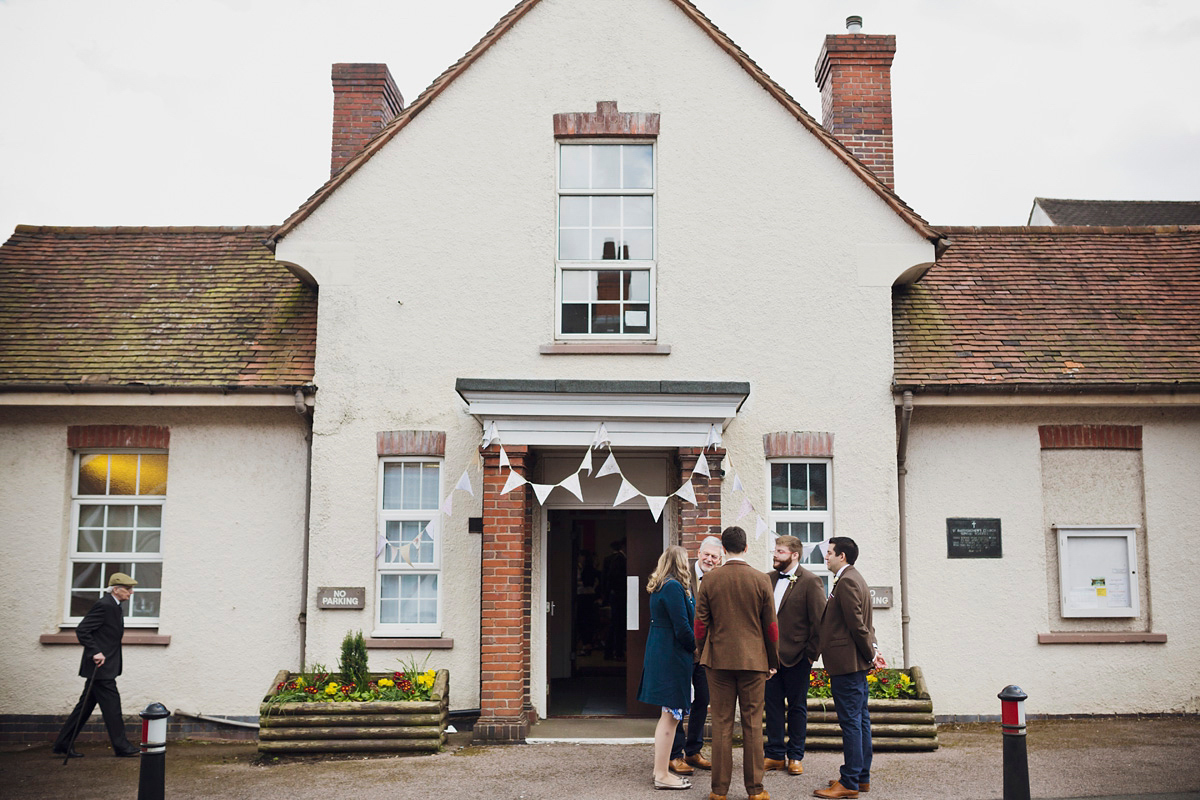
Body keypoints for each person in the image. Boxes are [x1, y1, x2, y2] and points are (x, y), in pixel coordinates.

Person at [695, 526, 779, 800]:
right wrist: (772, 659)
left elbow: (699, 624)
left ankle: (719, 791)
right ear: (745, 548)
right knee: (753, 725)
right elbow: (772, 627)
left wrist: (701, 650)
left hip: (718, 660)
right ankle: (755, 790)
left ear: (722, 549)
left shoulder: (710, 580)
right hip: (754, 660)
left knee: (720, 725)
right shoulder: (762, 579)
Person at [814, 537, 886, 799]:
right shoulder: (854, 578)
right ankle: (860, 777)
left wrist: (870, 654)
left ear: (842, 556)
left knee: (852, 724)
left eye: (830, 553)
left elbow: (858, 624)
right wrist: (873, 652)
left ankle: (850, 782)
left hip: (847, 665)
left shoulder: (846, 582)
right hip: (853, 664)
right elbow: (866, 623)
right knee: (860, 721)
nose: (826, 557)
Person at [53, 572, 141, 758]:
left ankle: (63, 743)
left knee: (84, 707)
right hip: (100, 668)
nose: (131, 592)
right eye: (128, 589)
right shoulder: (104, 605)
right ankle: (122, 747)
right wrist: (95, 652)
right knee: (112, 708)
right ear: (116, 590)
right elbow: (83, 630)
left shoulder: (115, 605)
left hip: (103, 667)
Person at [764, 535, 826, 776]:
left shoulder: (811, 581)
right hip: (770, 658)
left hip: (799, 657)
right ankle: (775, 754)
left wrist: (810, 655)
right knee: (772, 706)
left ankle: (795, 756)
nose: (775, 555)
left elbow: (819, 622)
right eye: (775, 550)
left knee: (797, 707)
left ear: (794, 555)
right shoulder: (767, 579)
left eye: (780, 551)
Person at [637, 545, 697, 790]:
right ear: (679, 563)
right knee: (670, 717)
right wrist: (698, 650)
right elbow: (682, 627)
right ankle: (662, 775)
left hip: (666, 655)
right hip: (672, 658)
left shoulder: (663, 585)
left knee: (670, 716)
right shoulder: (672, 587)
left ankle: (659, 771)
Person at [668, 535, 724, 777]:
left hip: (707, 653)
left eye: (714, 556)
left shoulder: (720, 580)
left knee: (702, 699)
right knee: (679, 702)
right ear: (698, 554)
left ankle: (694, 750)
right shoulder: (683, 577)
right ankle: (675, 754)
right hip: (683, 651)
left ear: (720, 559)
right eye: (707, 555)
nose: (710, 559)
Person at [602, 539, 627, 660]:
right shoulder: (619, 559)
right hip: (619, 596)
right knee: (617, 624)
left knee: (616, 624)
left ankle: (612, 651)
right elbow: (614, 577)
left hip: (616, 595)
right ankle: (616, 652)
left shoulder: (614, 559)